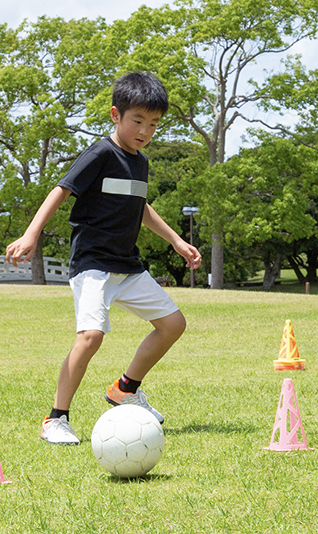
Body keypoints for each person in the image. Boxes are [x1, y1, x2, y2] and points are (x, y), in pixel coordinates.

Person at [5, 72, 202, 445]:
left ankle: (125, 389)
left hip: (127, 265)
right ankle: (55, 419)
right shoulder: (100, 153)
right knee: (91, 336)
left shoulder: (140, 162)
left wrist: (176, 239)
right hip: (92, 263)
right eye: (137, 121)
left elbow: (140, 205)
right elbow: (61, 190)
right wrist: (31, 233)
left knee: (173, 324)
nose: (145, 131)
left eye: (154, 124)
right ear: (116, 115)